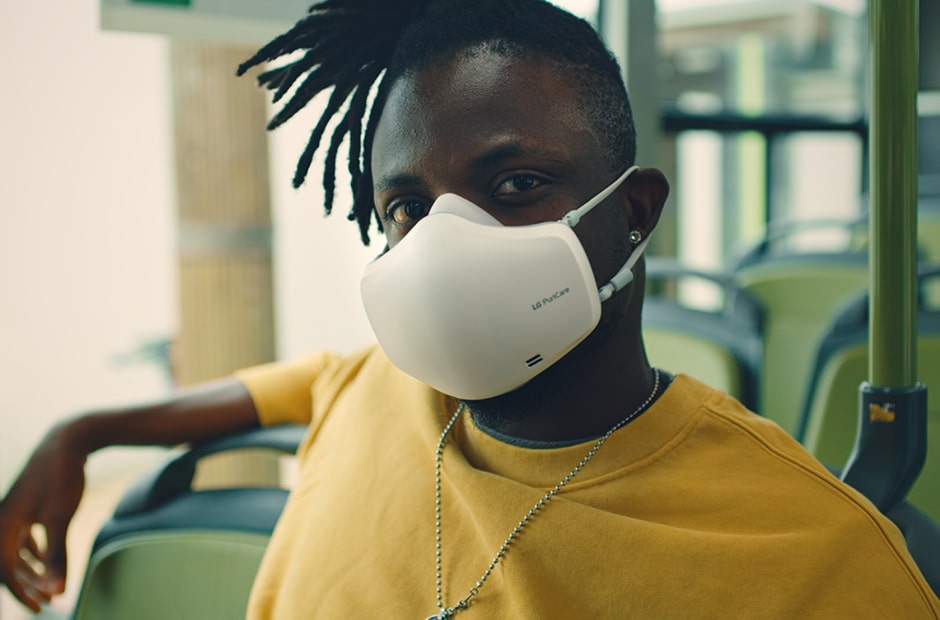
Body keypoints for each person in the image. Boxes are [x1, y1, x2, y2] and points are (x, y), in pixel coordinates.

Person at [1, 0, 938, 617]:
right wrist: (83, 431)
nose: (444, 250)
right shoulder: (379, 389)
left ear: (632, 215)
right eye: (406, 209)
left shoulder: (817, 565)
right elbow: (294, 385)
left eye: (517, 182)